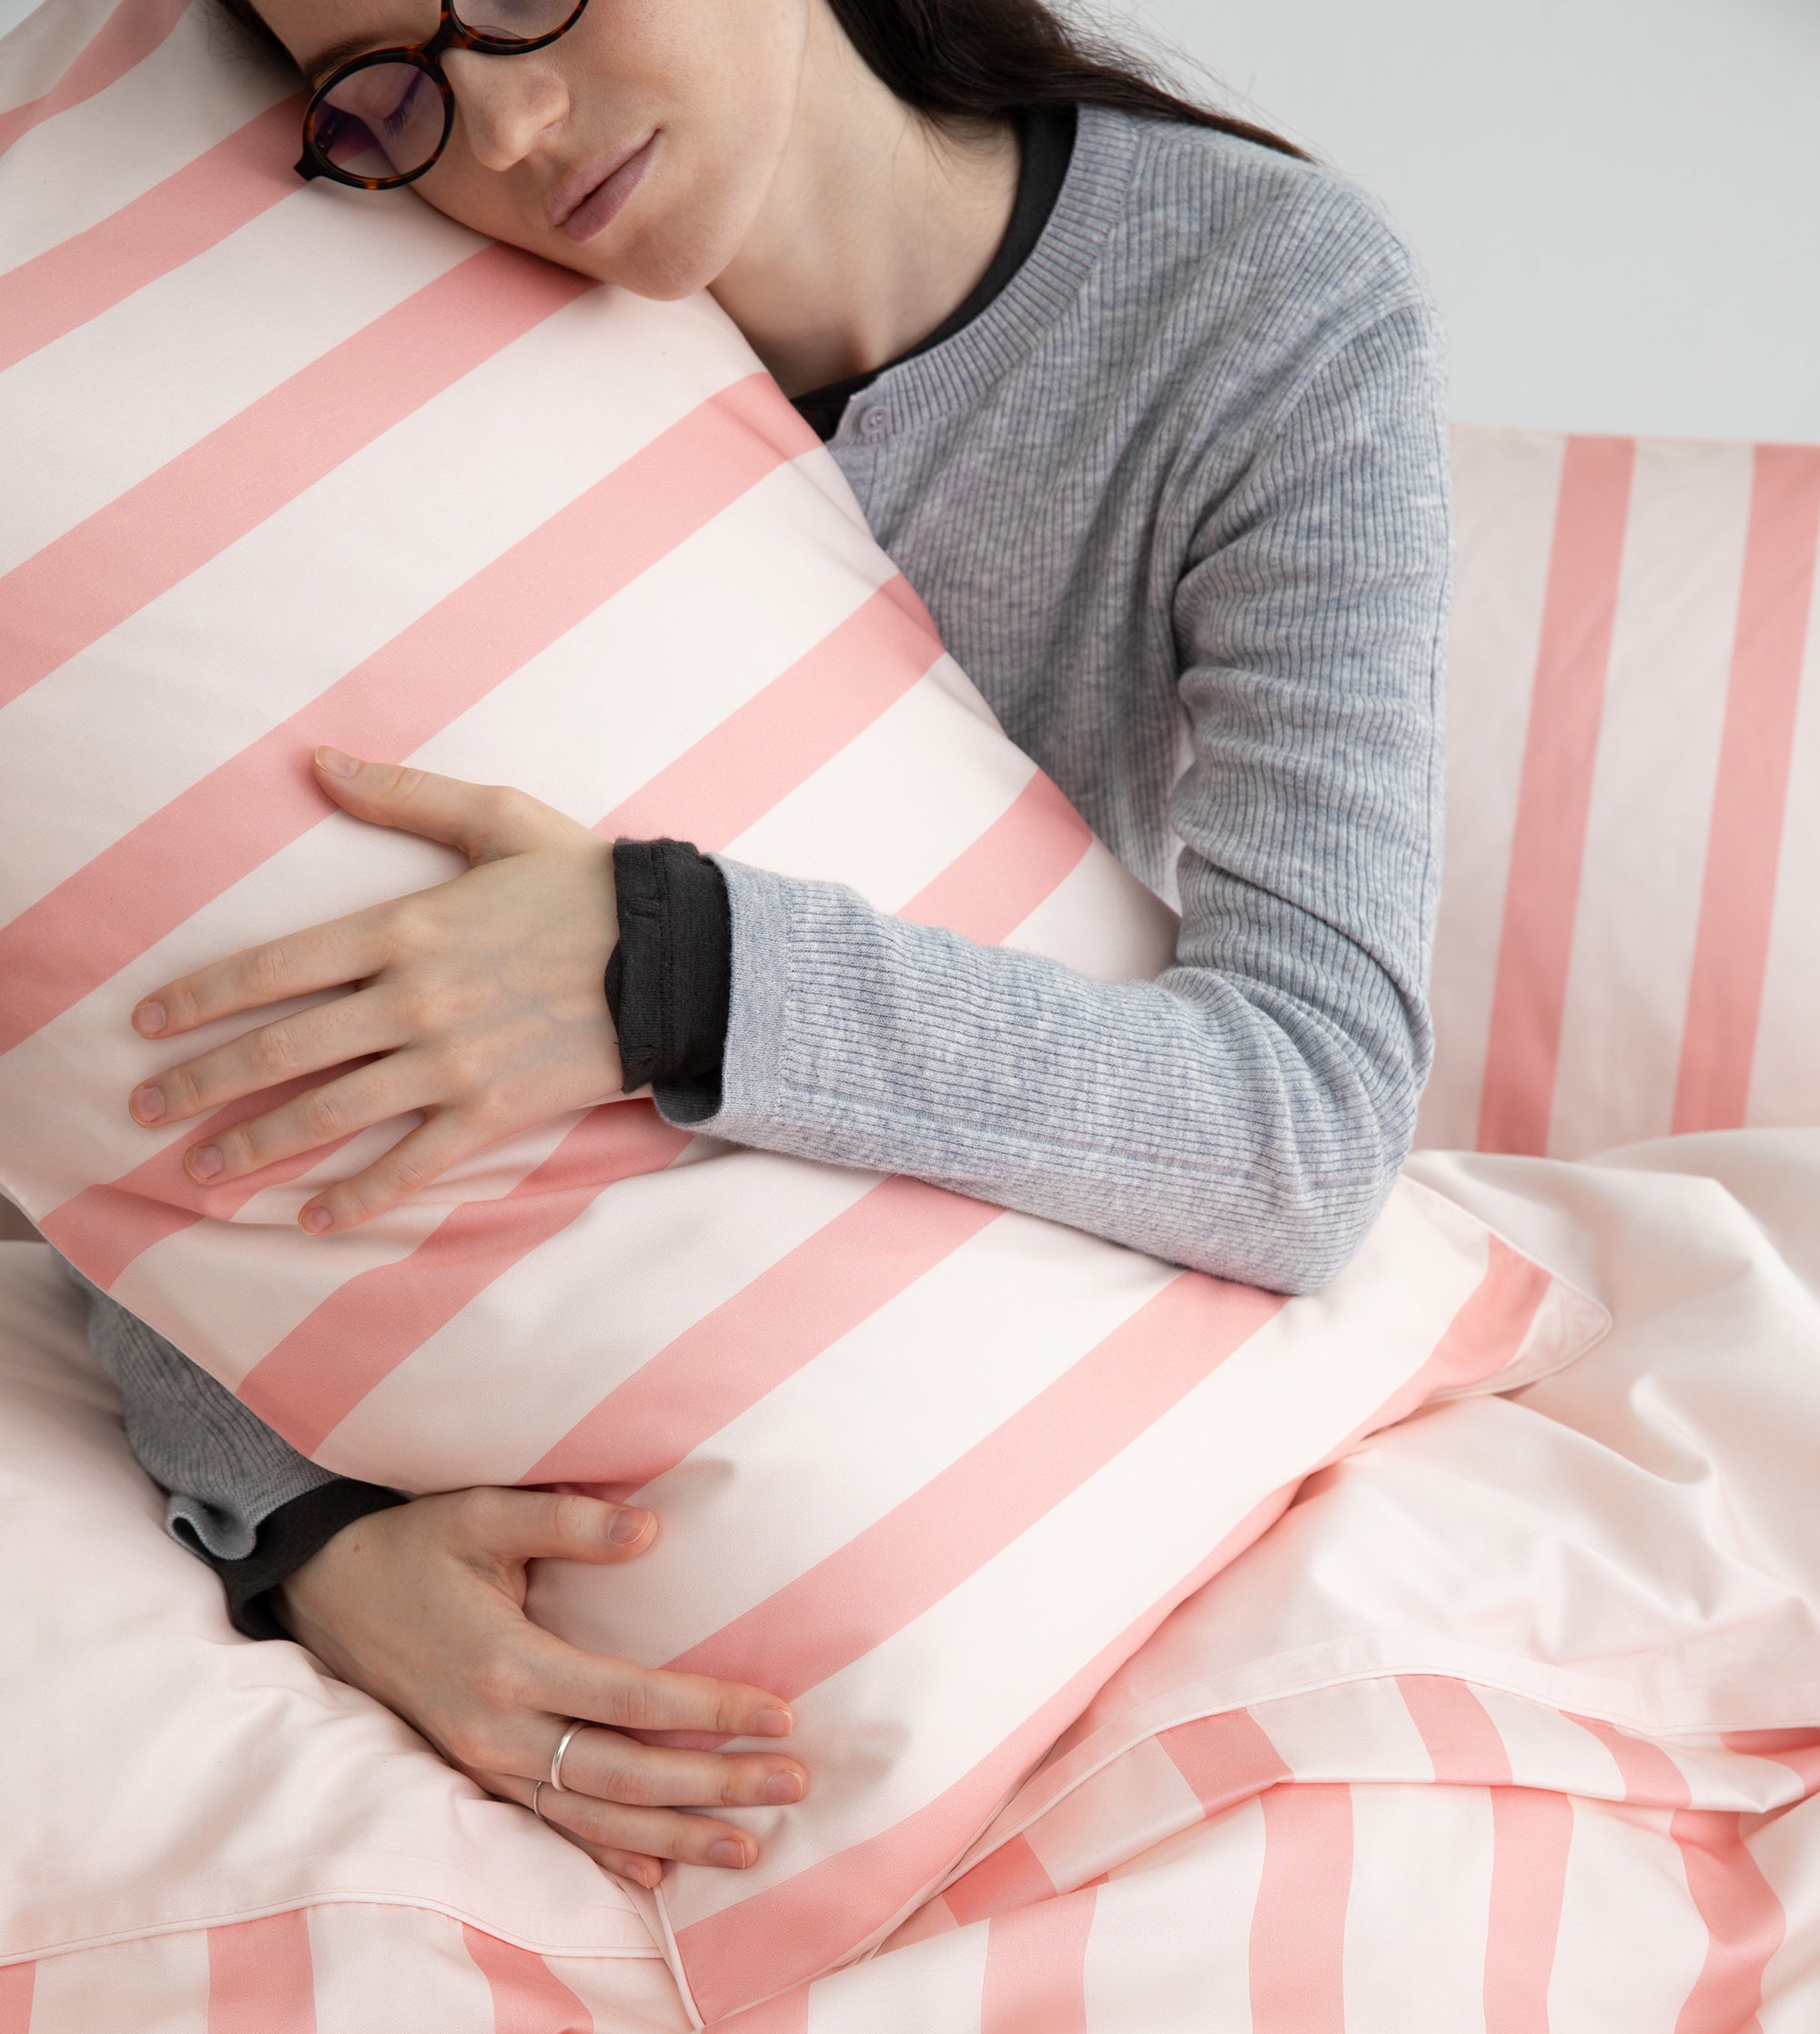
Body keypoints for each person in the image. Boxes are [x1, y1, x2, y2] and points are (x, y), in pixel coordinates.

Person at [85, 0, 1451, 1892]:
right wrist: (304, 1530)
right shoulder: (386, 319)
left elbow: (1307, 1120)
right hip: (497, 1390)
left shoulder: (1249, 304)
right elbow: (145, 1000)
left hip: (1011, 1384)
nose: (508, 125)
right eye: (384, 84)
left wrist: (670, 968)